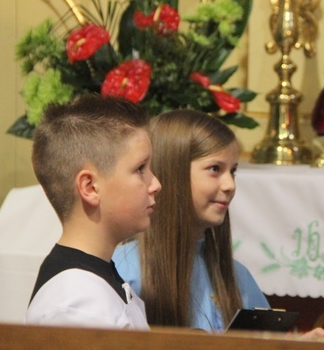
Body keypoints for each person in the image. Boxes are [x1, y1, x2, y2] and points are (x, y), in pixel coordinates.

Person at [113, 109, 270, 332]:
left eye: (232, 171)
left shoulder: (237, 277)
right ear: (173, 173)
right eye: (215, 169)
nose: (230, 185)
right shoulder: (125, 272)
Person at [26, 95, 161, 329]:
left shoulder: (96, 278)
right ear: (90, 187)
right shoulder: (75, 305)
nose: (156, 183)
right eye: (140, 169)